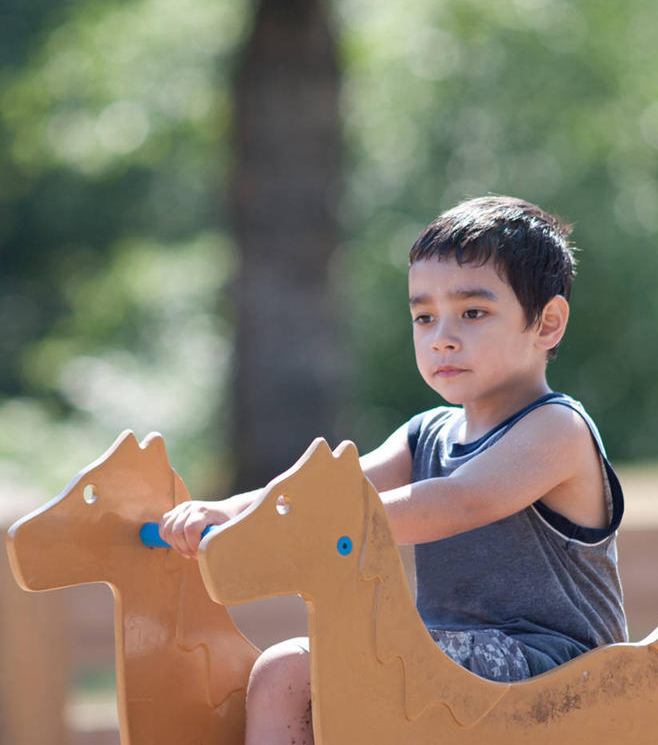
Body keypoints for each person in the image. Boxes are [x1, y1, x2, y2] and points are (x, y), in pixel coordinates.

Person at [159, 195, 627, 745]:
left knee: (295, 669)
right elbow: (329, 489)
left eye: (472, 313)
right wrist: (232, 511)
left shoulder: (557, 428)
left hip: (558, 671)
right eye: (423, 316)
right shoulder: (425, 432)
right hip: (457, 653)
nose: (441, 337)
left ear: (546, 323)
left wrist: (319, 526)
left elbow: (457, 501)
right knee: (316, 674)